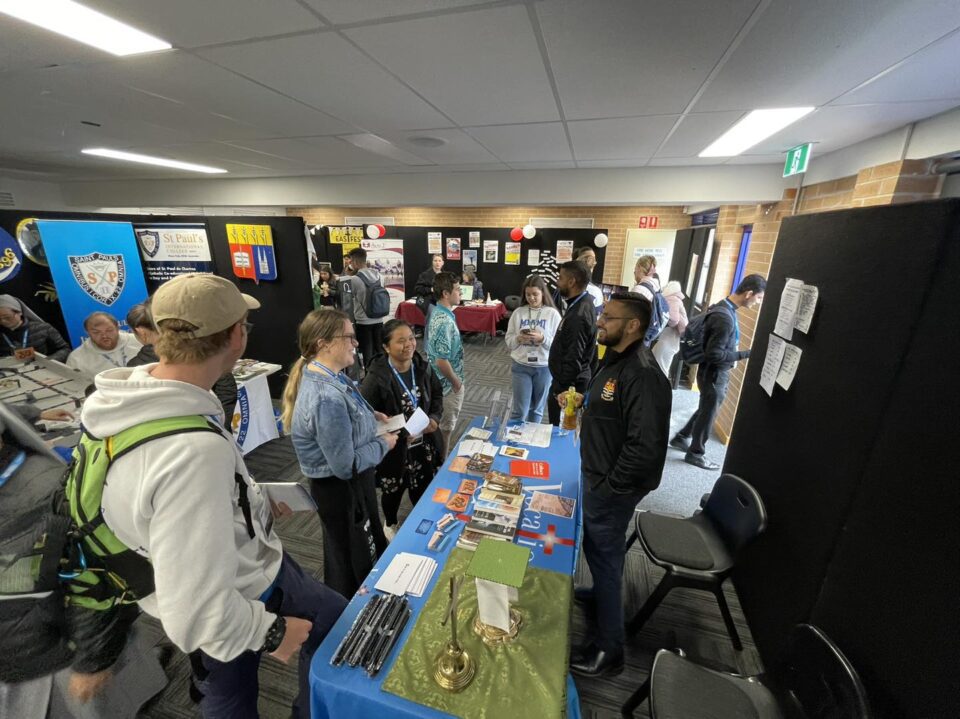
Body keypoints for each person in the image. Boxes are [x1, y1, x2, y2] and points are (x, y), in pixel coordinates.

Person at [78, 274, 347, 718]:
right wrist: (274, 633)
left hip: (224, 566)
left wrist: (252, 503)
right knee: (232, 696)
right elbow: (196, 613)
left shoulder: (127, 403)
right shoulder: (191, 451)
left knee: (236, 680)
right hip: (239, 591)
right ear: (236, 336)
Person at [568, 293, 671, 677]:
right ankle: (598, 597)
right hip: (600, 476)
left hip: (612, 486)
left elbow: (644, 447)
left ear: (633, 326)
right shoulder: (615, 359)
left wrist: (610, 488)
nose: (599, 322)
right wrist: (584, 403)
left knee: (607, 559)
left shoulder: (643, 374)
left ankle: (610, 650)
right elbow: (615, 413)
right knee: (598, 551)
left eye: (608, 318)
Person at [281, 309, 397, 597]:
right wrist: (384, 445)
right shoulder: (326, 397)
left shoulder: (331, 378)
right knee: (351, 559)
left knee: (352, 551)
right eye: (349, 337)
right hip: (341, 489)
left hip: (347, 487)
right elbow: (346, 465)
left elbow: (348, 423)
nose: (356, 343)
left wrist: (371, 420)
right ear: (324, 343)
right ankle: (351, 621)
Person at [671, 274, 766, 470]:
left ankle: (682, 437)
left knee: (707, 408)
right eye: (758, 298)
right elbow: (714, 354)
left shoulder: (724, 306)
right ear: (749, 293)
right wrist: (746, 354)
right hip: (714, 373)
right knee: (709, 412)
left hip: (710, 372)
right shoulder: (725, 318)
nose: (758, 303)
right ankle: (696, 453)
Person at [360, 319, 444, 538]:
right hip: (393, 447)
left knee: (423, 482)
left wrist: (434, 417)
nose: (409, 344)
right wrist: (391, 434)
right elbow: (365, 417)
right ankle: (391, 522)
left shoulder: (422, 366)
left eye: (411, 338)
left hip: (423, 441)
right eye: (401, 341)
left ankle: (421, 518)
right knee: (393, 488)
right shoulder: (376, 378)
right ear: (386, 347)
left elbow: (436, 394)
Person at [126, 301, 239, 428]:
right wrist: (220, 423)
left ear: (141, 332)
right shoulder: (197, 348)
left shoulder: (133, 369)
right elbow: (227, 388)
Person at [546, 261, 597, 426]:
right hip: (567, 381)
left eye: (560, 278)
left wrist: (562, 389)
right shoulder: (580, 303)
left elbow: (574, 355)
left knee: (563, 430)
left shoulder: (579, 315)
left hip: (569, 387)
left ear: (571, 282)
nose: (557, 282)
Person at [505, 276, 561, 423]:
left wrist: (543, 339)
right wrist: (518, 338)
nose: (531, 298)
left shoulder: (552, 314)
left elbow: (559, 345)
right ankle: (514, 442)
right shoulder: (518, 312)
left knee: (537, 410)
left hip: (544, 367)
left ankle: (530, 442)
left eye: (535, 294)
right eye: (528, 294)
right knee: (520, 411)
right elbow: (509, 341)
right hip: (521, 366)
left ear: (543, 293)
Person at [426, 271, 465, 452]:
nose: (461, 293)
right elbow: (441, 360)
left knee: (443, 428)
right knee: (445, 430)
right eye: (457, 290)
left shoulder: (442, 314)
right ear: (446, 294)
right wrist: (456, 382)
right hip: (447, 385)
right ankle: (440, 464)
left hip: (442, 382)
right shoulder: (444, 321)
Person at [342, 247, 385, 370]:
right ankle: (382, 374)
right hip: (379, 319)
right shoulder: (379, 276)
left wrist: (348, 274)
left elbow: (348, 297)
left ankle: (369, 379)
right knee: (380, 351)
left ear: (354, 262)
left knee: (367, 353)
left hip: (363, 321)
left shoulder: (354, 280)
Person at [66, 312, 142, 375]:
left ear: (117, 328)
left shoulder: (140, 341)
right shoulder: (76, 359)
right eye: (96, 332)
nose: (104, 336)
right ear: (87, 333)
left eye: (109, 330)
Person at [0, 295, 69, 362]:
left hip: (42, 369)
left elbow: (65, 349)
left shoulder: (44, 328)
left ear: (19, 312)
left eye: (7, 317)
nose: (3, 321)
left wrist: (48, 361)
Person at [651, 280, 689, 377]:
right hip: (670, 340)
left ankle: (661, 390)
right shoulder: (676, 299)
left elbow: (674, 319)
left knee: (661, 369)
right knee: (657, 365)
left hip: (668, 341)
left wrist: (663, 321)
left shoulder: (672, 299)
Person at [572, 246, 604, 312]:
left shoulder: (596, 291)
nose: (590, 261)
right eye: (587, 258)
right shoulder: (564, 287)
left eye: (593, 259)